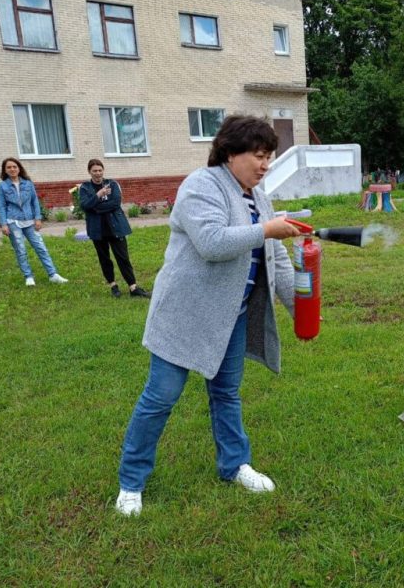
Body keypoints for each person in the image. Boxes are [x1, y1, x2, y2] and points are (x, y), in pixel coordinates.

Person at [115, 115, 301, 516]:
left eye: (269, 156)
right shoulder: (201, 185)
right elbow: (212, 242)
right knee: (160, 397)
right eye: (259, 155)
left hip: (230, 316)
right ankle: (131, 482)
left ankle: (234, 465)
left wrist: (299, 308)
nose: (265, 164)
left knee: (226, 394)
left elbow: (277, 258)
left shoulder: (257, 195)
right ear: (231, 153)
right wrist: (267, 230)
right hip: (183, 315)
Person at [79, 159, 150, 298]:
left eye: (100, 170)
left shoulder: (112, 184)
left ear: (103, 170)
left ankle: (133, 287)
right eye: (94, 171)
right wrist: (98, 195)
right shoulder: (85, 188)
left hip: (115, 226)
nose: (98, 173)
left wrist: (96, 208)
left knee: (123, 257)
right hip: (97, 229)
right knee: (104, 258)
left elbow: (115, 203)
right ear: (89, 172)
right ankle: (113, 286)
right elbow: (85, 205)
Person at [0, 157, 68, 286]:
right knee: (21, 250)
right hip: (13, 221)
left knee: (41, 247)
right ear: (5, 170)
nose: (12, 169)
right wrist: (4, 224)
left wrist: (38, 218)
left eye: (14, 167)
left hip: (30, 220)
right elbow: (1, 206)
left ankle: (53, 274)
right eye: (9, 167)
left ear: (19, 168)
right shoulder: (2, 186)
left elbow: (35, 201)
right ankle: (28, 276)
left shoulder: (28, 183)